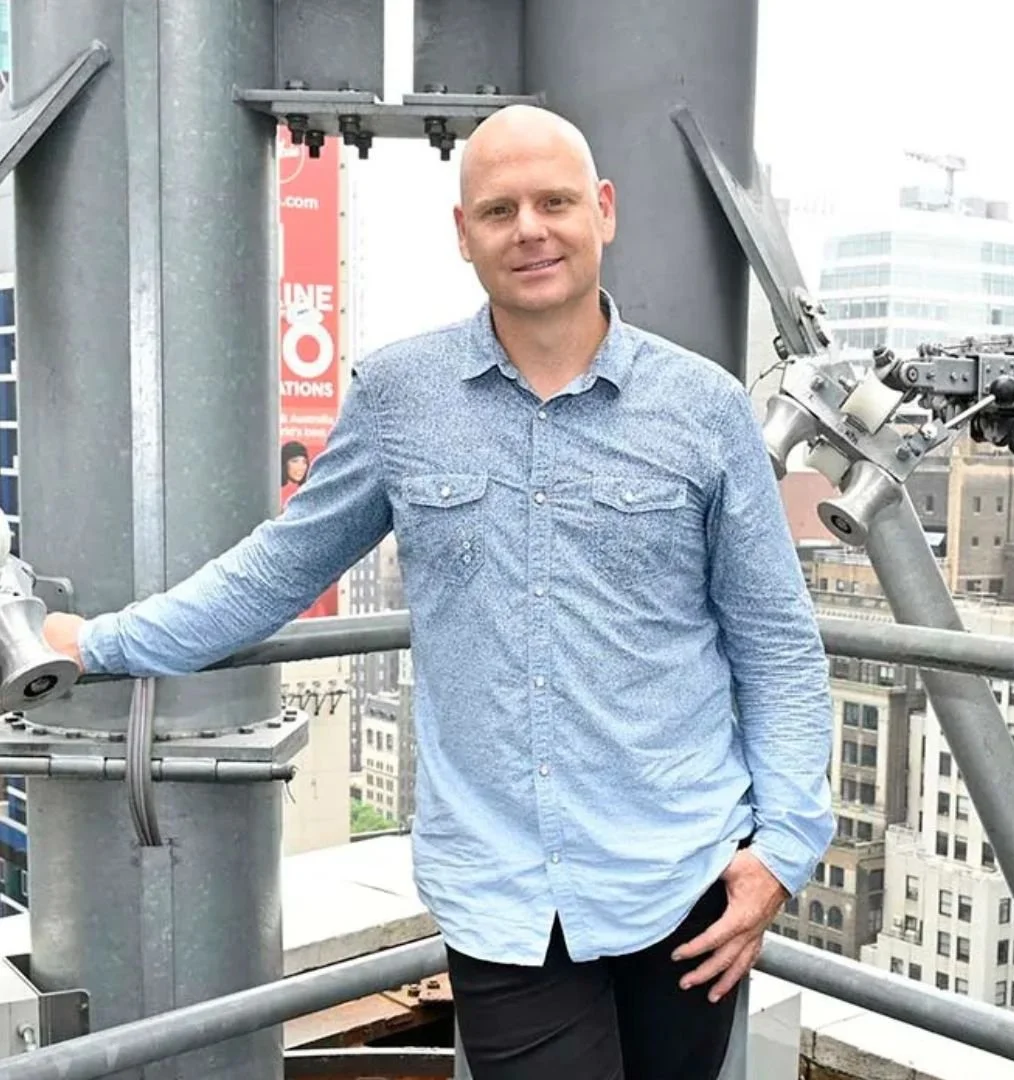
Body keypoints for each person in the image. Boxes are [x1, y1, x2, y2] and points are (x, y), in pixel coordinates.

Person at [44, 105, 833, 1080]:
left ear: (604, 210)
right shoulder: (399, 398)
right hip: (502, 893)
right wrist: (100, 644)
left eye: (554, 202)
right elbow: (279, 568)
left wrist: (782, 851)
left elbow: (775, 642)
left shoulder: (705, 407)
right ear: (464, 233)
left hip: (683, 877)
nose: (530, 229)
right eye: (499, 210)